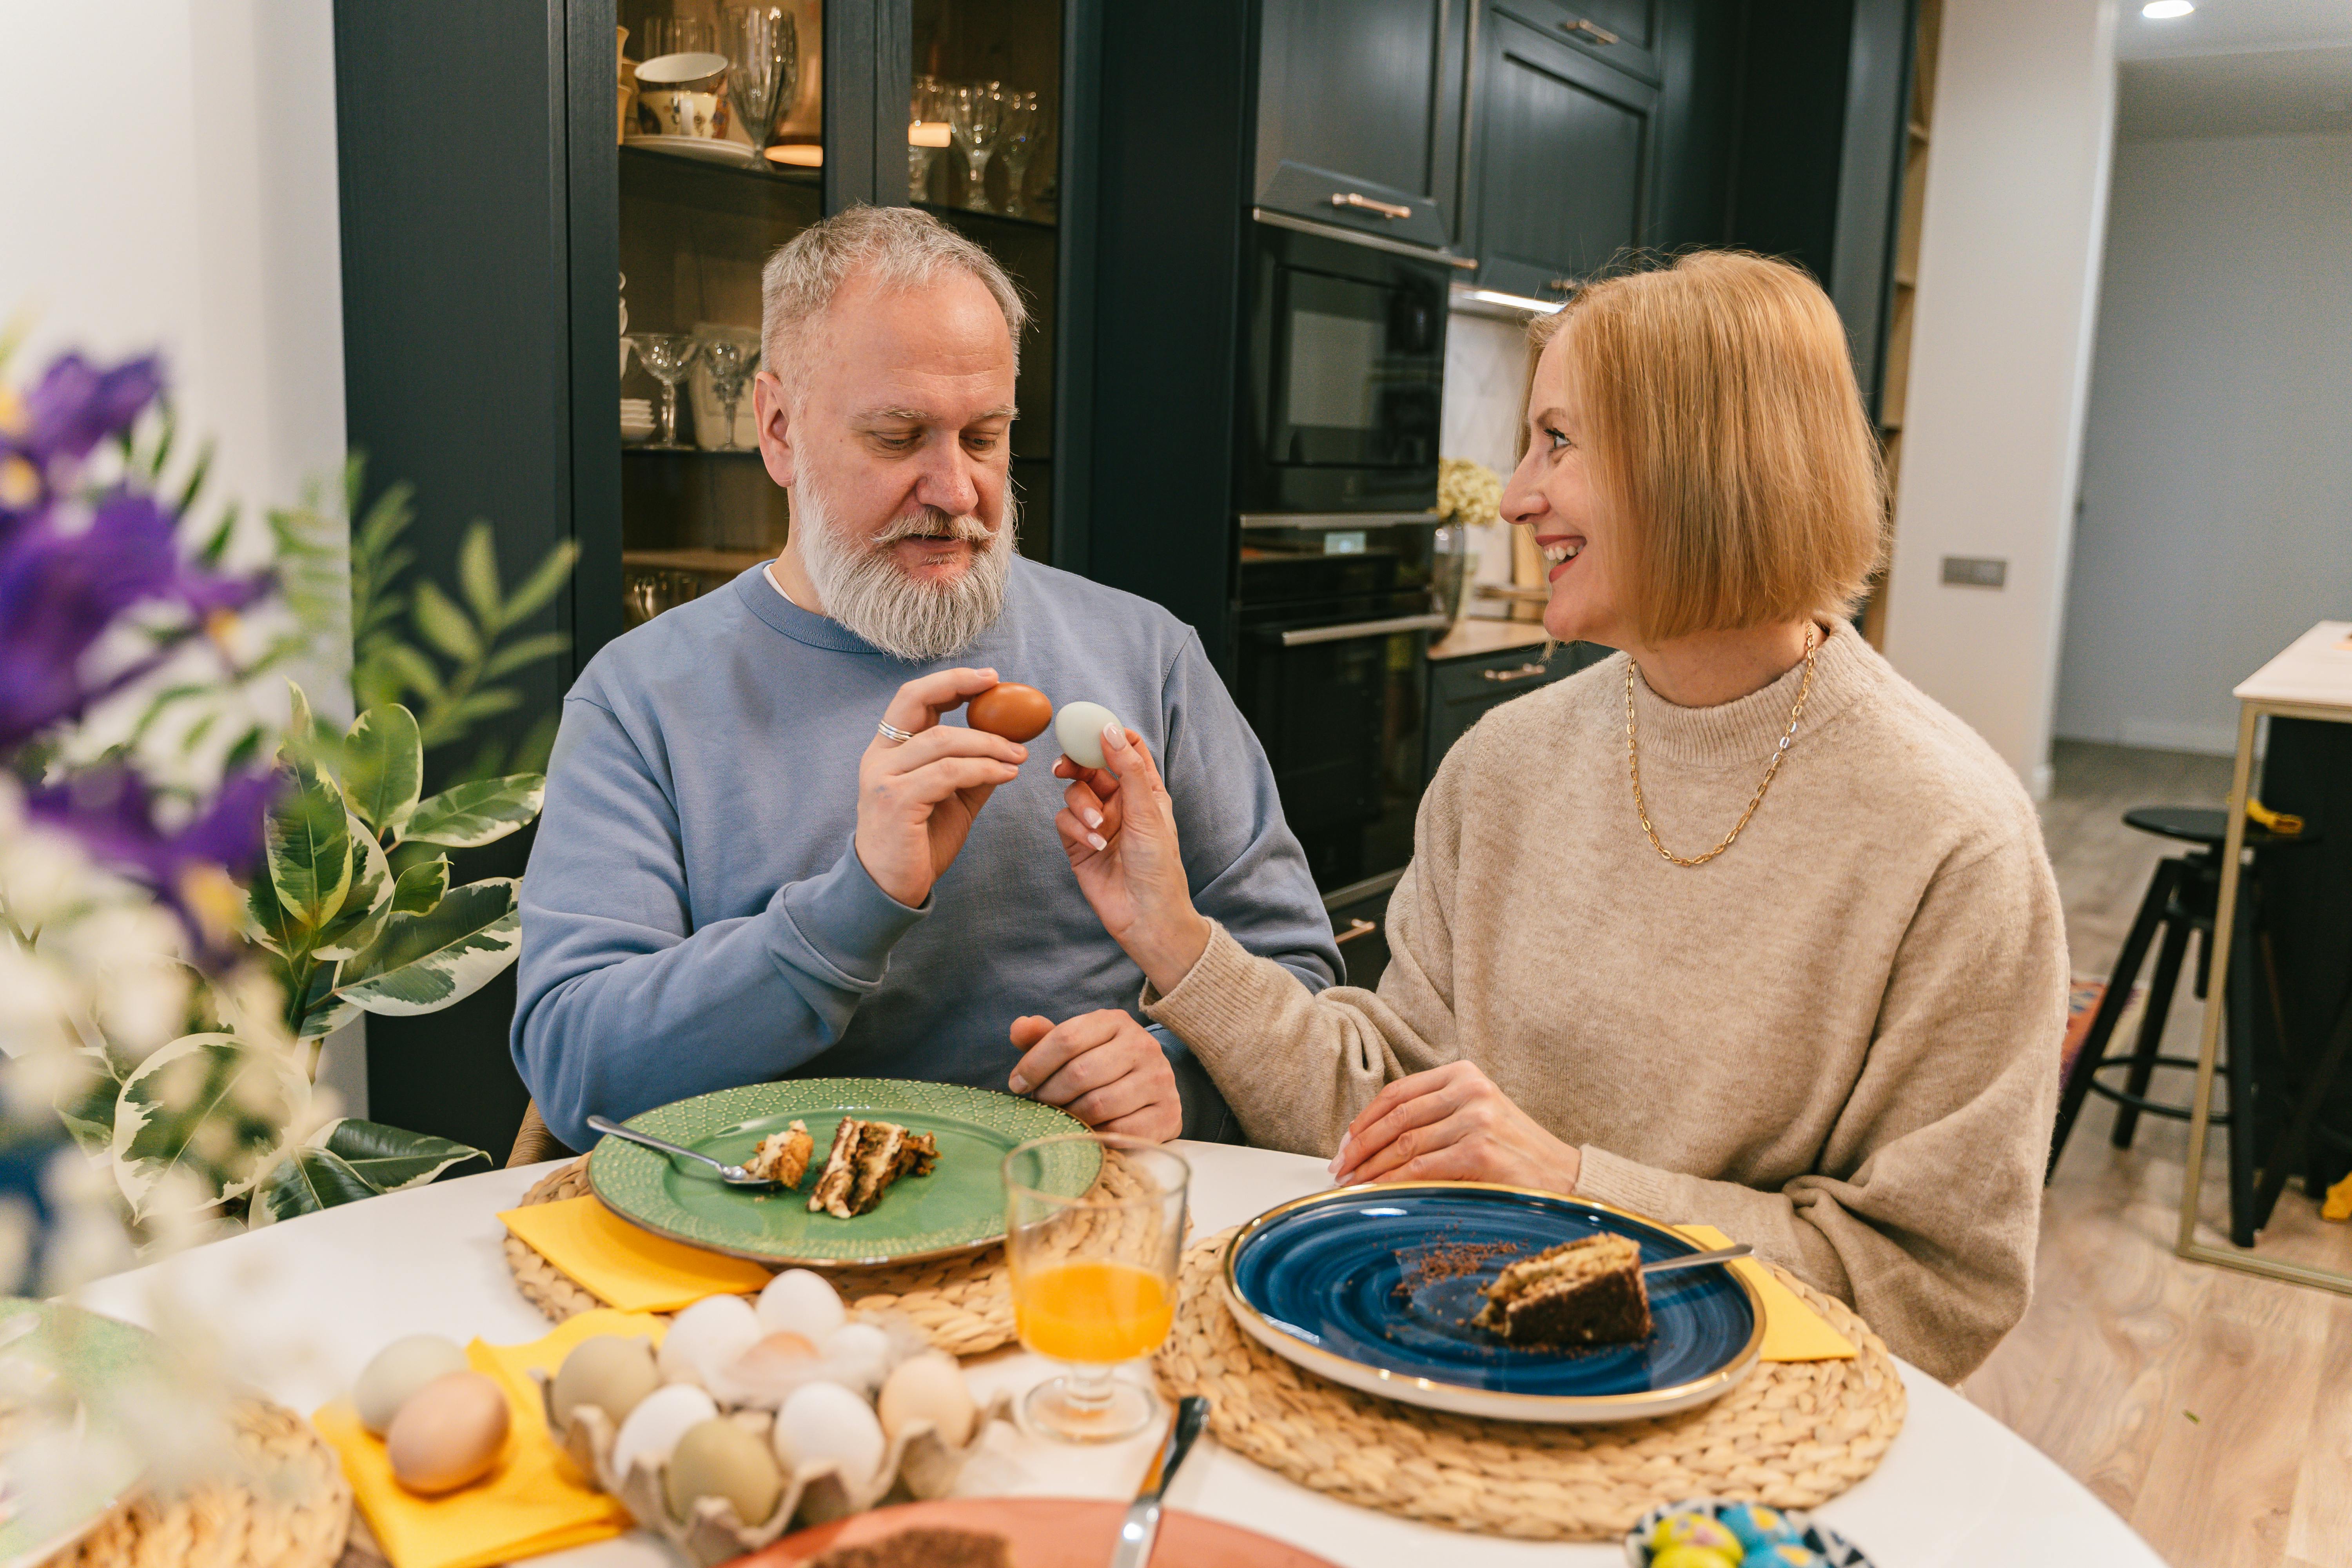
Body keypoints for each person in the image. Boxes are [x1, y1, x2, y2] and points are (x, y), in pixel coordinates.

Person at [1029, 251, 2068, 1382]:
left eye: (1558, 443)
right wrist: (1171, 931)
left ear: (1702, 465)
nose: (1518, 494)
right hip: (1454, 1362)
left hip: (1734, 1435)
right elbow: (1384, 1112)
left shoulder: (1951, 835)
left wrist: (1578, 1189)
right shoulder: (1505, 763)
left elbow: (1934, 1291)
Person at [512, 207, 1338, 1153]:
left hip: (1087, 1247)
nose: (956, 490)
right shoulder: (642, 698)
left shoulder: (1146, 655)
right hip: (772, 1256)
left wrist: (1178, 1076)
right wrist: (855, 901)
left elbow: (1304, 989)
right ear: (778, 429)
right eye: (900, 437)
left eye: (984, 437)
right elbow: (579, 1073)